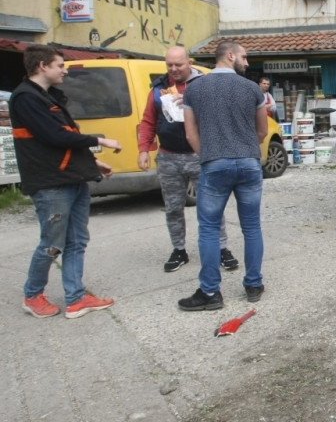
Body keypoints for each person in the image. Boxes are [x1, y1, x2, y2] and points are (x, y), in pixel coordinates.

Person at [9, 44, 123, 319]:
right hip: (51, 183)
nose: (64, 71)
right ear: (42, 66)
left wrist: (92, 162)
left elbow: (65, 136)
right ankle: (32, 295)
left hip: (72, 177)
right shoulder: (25, 98)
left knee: (76, 241)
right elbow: (54, 136)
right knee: (52, 244)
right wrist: (100, 141)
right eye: (60, 65)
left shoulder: (48, 96)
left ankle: (76, 298)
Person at [178, 41, 267, 311]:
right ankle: (253, 284)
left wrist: (208, 155)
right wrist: (246, 150)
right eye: (244, 57)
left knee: (208, 228)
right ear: (230, 55)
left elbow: (190, 134)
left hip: (214, 163)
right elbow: (262, 131)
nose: (247, 63)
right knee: (251, 226)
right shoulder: (252, 88)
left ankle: (210, 292)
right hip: (249, 163)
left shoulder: (194, 89)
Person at [138, 47, 239, 273]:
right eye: (169, 65)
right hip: (168, 157)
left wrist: (193, 101)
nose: (174, 69)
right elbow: (148, 121)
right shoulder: (158, 88)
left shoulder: (205, 84)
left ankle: (221, 248)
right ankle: (179, 250)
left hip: (201, 156)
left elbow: (222, 113)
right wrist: (144, 149)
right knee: (173, 207)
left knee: (211, 206)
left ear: (189, 63)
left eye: (179, 65)